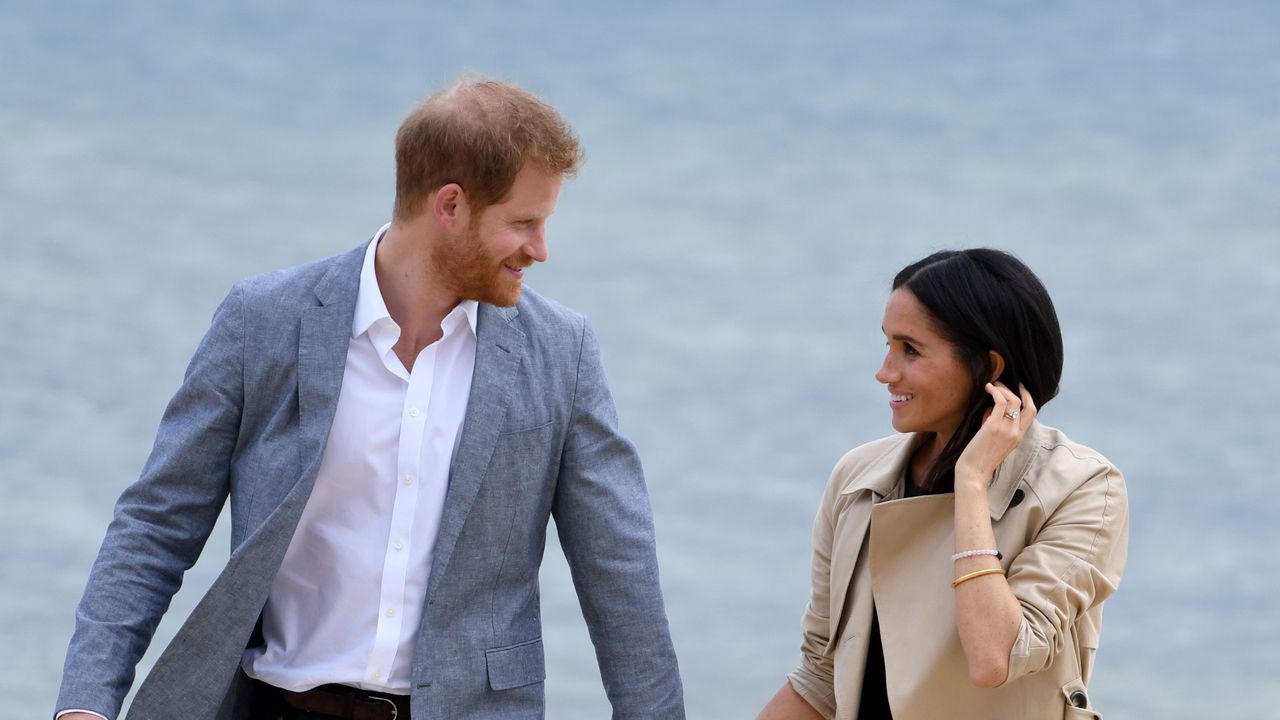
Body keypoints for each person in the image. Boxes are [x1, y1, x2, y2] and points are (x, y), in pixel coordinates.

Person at [56, 79, 684, 720]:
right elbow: (157, 523)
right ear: (450, 205)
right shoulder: (265, 321)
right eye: (523, 223)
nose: (540, 249)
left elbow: (620, 573)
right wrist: (86, 702)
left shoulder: (561, 352)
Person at [757, 249, 1128, 720]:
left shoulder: (1084, 488)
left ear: (989, 368)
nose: (885, 371)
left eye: (910, 350)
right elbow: (821, 678)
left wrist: (970, 483)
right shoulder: (858, 480)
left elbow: (997, 657)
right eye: (887, 345)